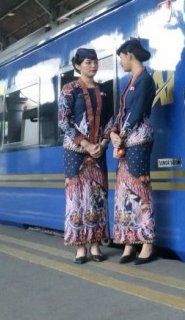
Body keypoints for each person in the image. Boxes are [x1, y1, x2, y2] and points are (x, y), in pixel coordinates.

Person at [59, 48, 111, 264]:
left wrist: (104, 142)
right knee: (77, 198)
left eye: (95, 61)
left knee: (97, 197)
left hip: (98, 151)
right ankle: (80, 247)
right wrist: (87, 144)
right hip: (75, 152)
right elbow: (63, 121)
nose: (93, 65)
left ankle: (96, 244)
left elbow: (110, 119)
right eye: (88, 62)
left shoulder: (104, 90)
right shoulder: (68, 90)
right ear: (77, 66)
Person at [109, 37, 158, 265]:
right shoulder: (132, 80)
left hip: (138, 140)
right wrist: (114, 133)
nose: (120, 61)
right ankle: (129, 242)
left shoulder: (146, 80)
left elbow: (136, 113)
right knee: (124, 192)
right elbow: (121, 112)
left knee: (140, 187)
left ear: (130, 55)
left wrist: (122, 136)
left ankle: (147, 242)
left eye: (120, 57)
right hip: (127, 142)